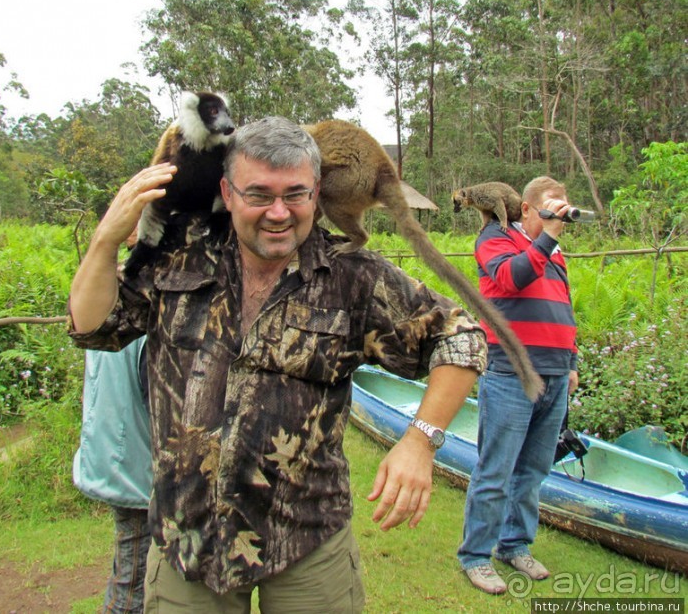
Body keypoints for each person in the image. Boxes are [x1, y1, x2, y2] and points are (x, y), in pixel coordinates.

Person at [68, 116, 487, 613]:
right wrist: (105, 242)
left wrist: (421, 441)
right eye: (259, 194)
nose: (278, 213)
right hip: (188, 541)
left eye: (296, 194)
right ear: (228, 190)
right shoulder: (181, 255)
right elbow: (94, 326)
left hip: (308, 539)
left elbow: (461, 337)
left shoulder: (351, 276)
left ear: (317, 193)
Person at [457, 176, 579, 594]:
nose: (557, 215)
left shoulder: (554, 252)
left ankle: (514, 545)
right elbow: (512, 279)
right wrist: (547, 240)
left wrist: (571, 359)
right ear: (525, 210)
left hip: (555, 373)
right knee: (496, 469)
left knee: (533, 471)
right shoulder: (493, 240)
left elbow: (563, 303)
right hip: (512, 373)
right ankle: (476, 555)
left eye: (562, 207)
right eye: (549, 208)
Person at [73, 336, 153, 613]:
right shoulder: (143, 325)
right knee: (132, 590)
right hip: (137, 470)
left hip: (115, 459)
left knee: (129, 570)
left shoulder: (108, 311)